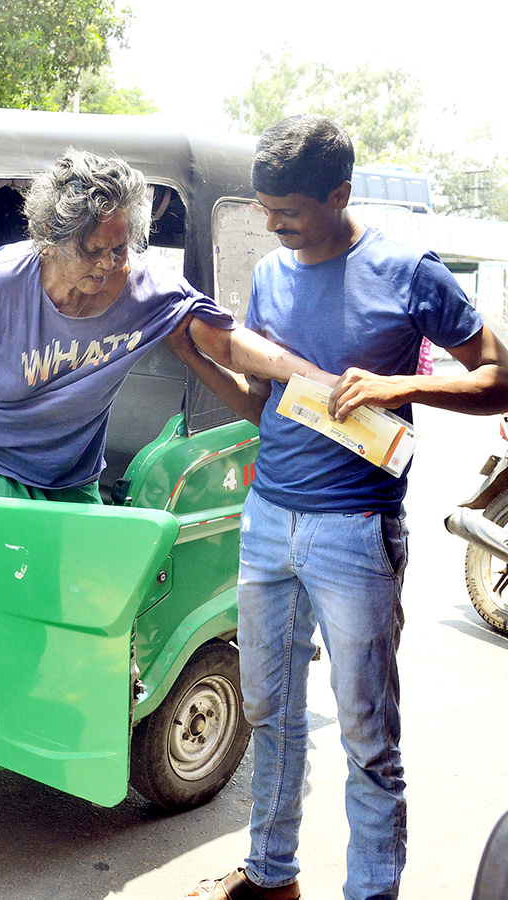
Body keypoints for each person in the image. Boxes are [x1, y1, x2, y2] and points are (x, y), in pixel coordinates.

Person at [186, 115, 508, 900]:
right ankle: (271, 877)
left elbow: (498, 374)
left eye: (286, 211)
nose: (271, 224)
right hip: (268, 522)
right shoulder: (271, 274)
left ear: (340, 193)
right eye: (263, 209)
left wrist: (404, 386)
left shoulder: (409, 271)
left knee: (368, 736)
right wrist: (190, 350)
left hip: (355, 533)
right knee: (270, 714)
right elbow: (264, 405)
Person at [0, 148, 332, 513]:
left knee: (86, 590)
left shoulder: (145, 286)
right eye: (91, 251)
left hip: (72, 469)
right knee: (17, 572)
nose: (108, 265)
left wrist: (313, 377)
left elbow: (225, 343)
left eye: (119, 249)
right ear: (48, 241)